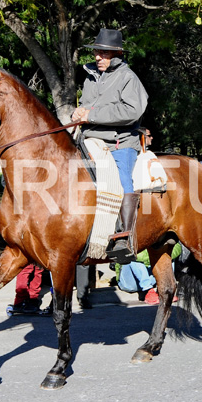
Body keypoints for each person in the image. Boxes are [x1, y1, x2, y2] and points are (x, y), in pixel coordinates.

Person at [71, 28, 148, 262]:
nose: (98, 57)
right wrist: (79, 112)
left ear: (117, 53)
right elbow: (86, 104)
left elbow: (132, 111)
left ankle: (124, 237)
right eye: (96, 51)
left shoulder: (128, 77)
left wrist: (91, 114)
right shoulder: (90, 75)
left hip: (120, 142)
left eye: (104, 53)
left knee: (123, 179)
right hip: (88, 139)